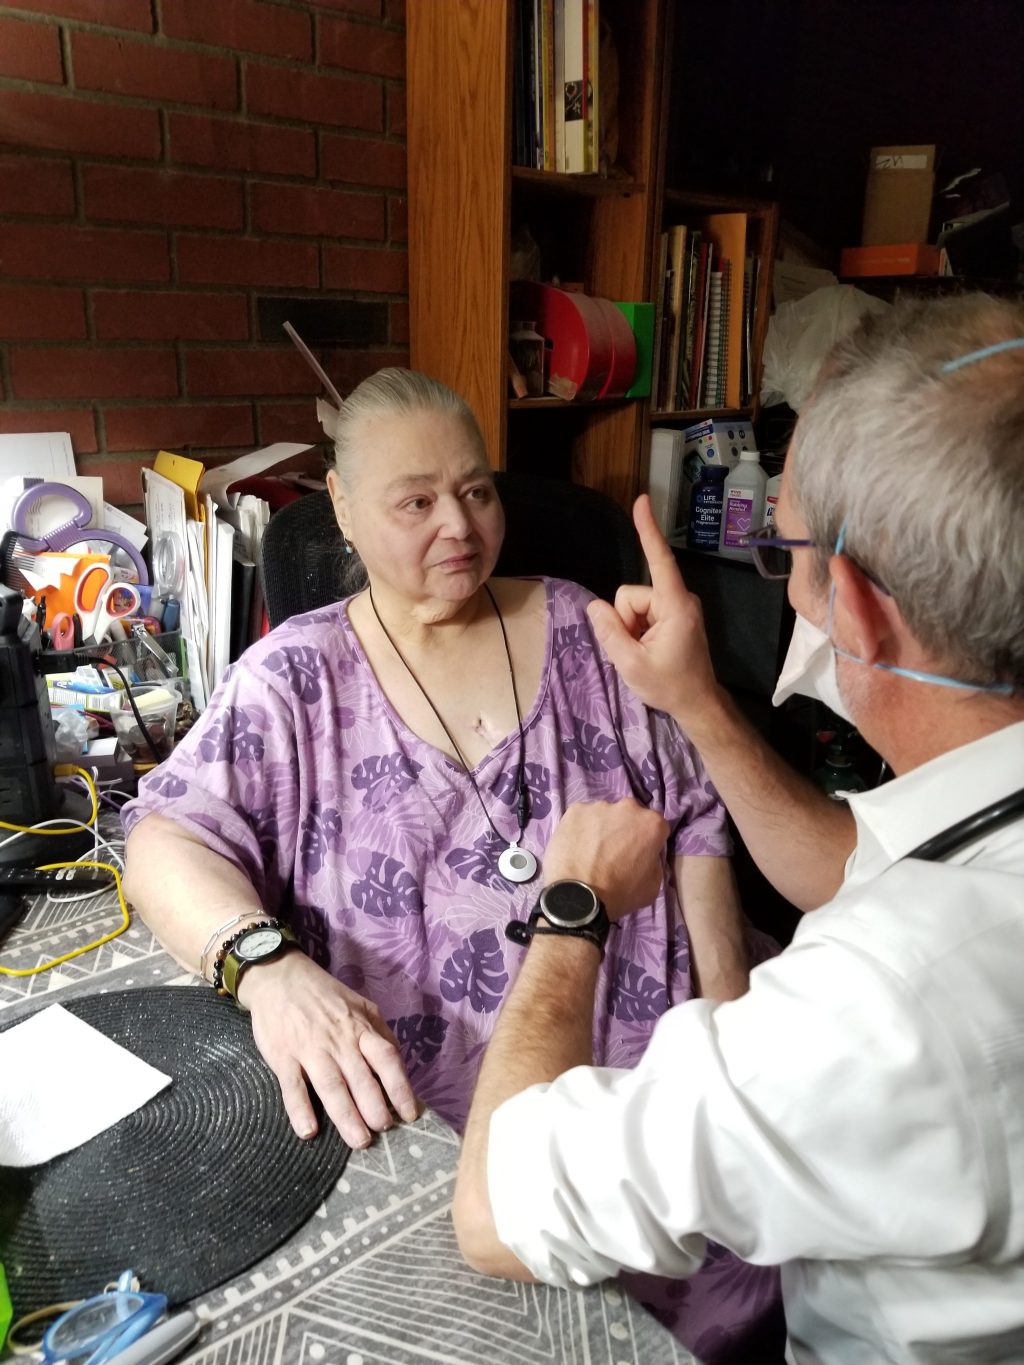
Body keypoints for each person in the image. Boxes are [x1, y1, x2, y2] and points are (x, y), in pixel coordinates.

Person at [121, 368, 781, 1359]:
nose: (460, 527)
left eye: (476, 491)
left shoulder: (587, 629)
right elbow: (166, 838)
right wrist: (266, 969)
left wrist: (729, 1030)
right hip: (429, 1141)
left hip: (651, 1109)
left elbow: (695, 819)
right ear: (343, 508)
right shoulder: (295, 679)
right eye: (416, 502)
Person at [452, 294, 1024, 1363]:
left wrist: (571, 910)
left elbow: (494, 1207)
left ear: (853, 604)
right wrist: (695, 701)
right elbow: (855, 868)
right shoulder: (975, 844)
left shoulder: (882, 1002)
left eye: (786, 547)